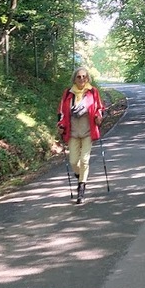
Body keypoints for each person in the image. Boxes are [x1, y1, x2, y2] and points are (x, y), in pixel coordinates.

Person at [57, 67, 105, 204]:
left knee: (84, 160)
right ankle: (80, 176)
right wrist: (61, 125)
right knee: (73, 162)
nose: (82, 79)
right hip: (73, 132)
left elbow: (100, 108)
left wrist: (98, 117)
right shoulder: (68, 93)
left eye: (84, 76)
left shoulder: (92, 92)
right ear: (74, 79)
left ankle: (81, 188)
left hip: (88, 132)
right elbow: (62, 113)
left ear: (88, 78)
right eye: (79, 77)